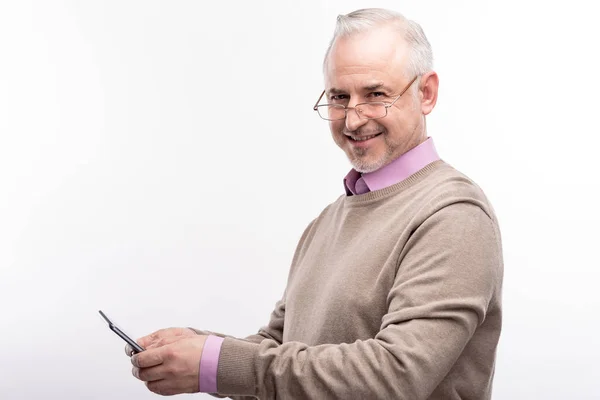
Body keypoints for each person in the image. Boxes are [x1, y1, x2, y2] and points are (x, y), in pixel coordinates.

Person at [127, 8, 504, 399]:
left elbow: (396, 376)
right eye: (340, 97)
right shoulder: (327, 221)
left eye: (375, 95)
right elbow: (278, 347)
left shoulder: (454, 215)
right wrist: (194, 349)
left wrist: (216, 364)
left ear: (425, 93)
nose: (353, 119)